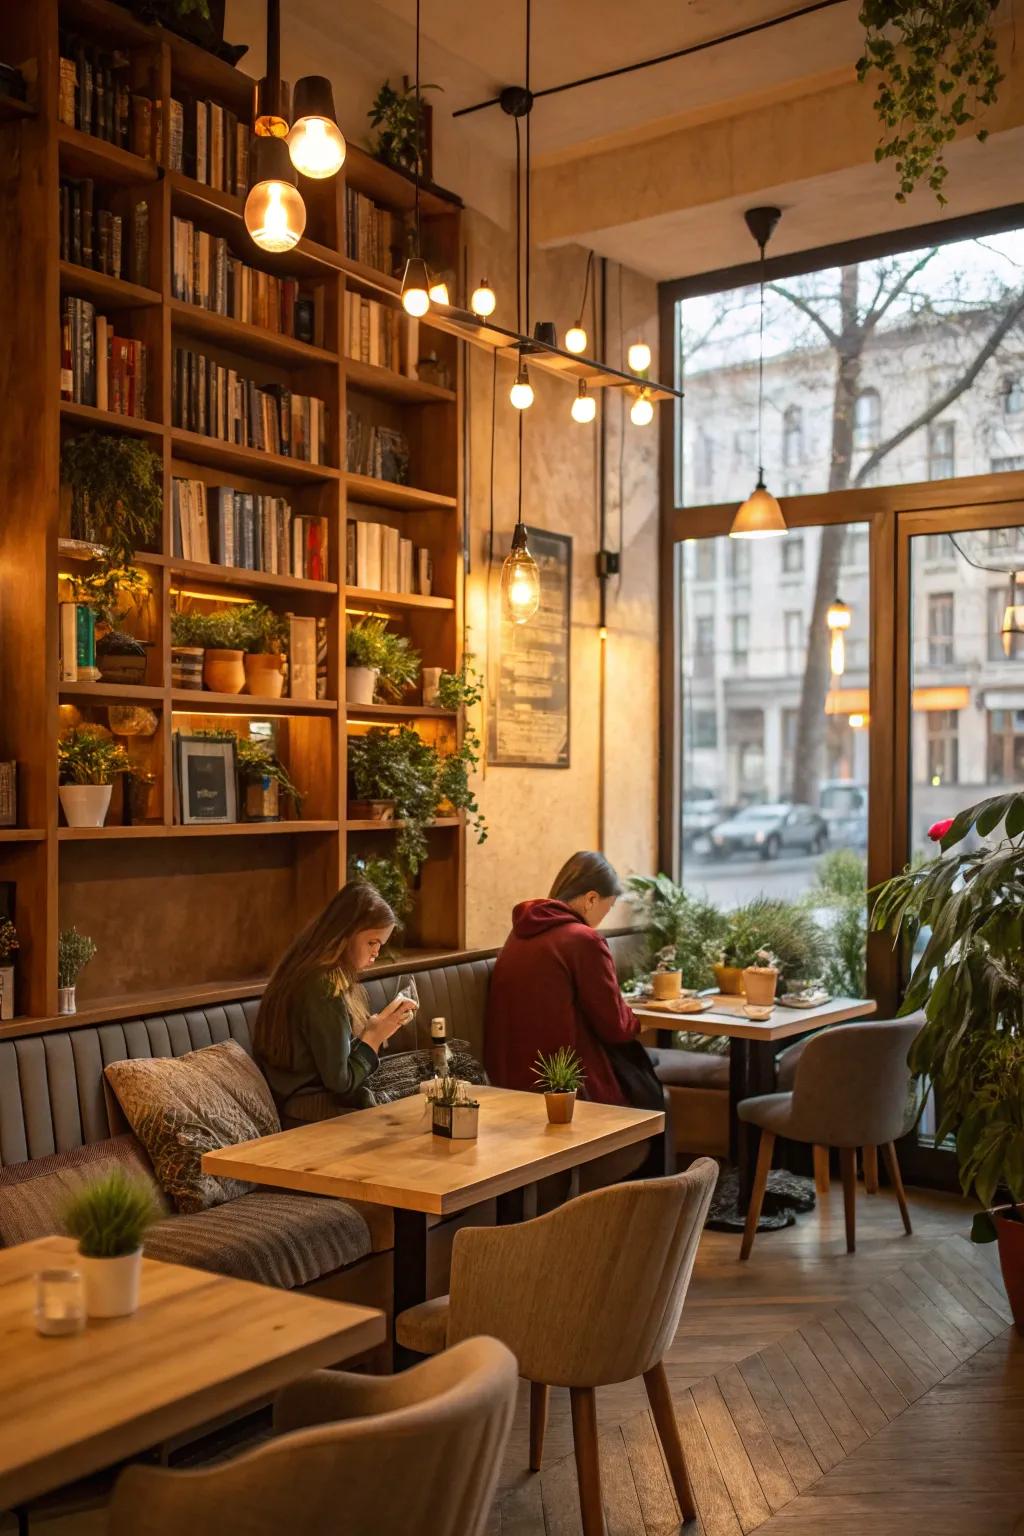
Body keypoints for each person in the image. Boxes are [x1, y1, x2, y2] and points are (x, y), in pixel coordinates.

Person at [486, 851, 656, 1108]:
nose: (602, 919)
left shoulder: (520, 933)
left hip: (510, 1081)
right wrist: (637, 1019)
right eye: (607, 908)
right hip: (567, 1086)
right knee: (648, 1086)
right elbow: (615, 1027)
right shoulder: (584, 939)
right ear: (591, 899)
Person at [254, 881, 416, 1122]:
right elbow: (341, 1082)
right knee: (429, 1089)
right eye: (372, 942)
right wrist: (373, 1038)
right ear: (345, 934)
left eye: (380, 945)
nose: (376, 952)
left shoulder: (305, 971)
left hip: (300, 1102)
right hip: (312, 1111)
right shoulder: (324, 986)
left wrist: (373, 1029)